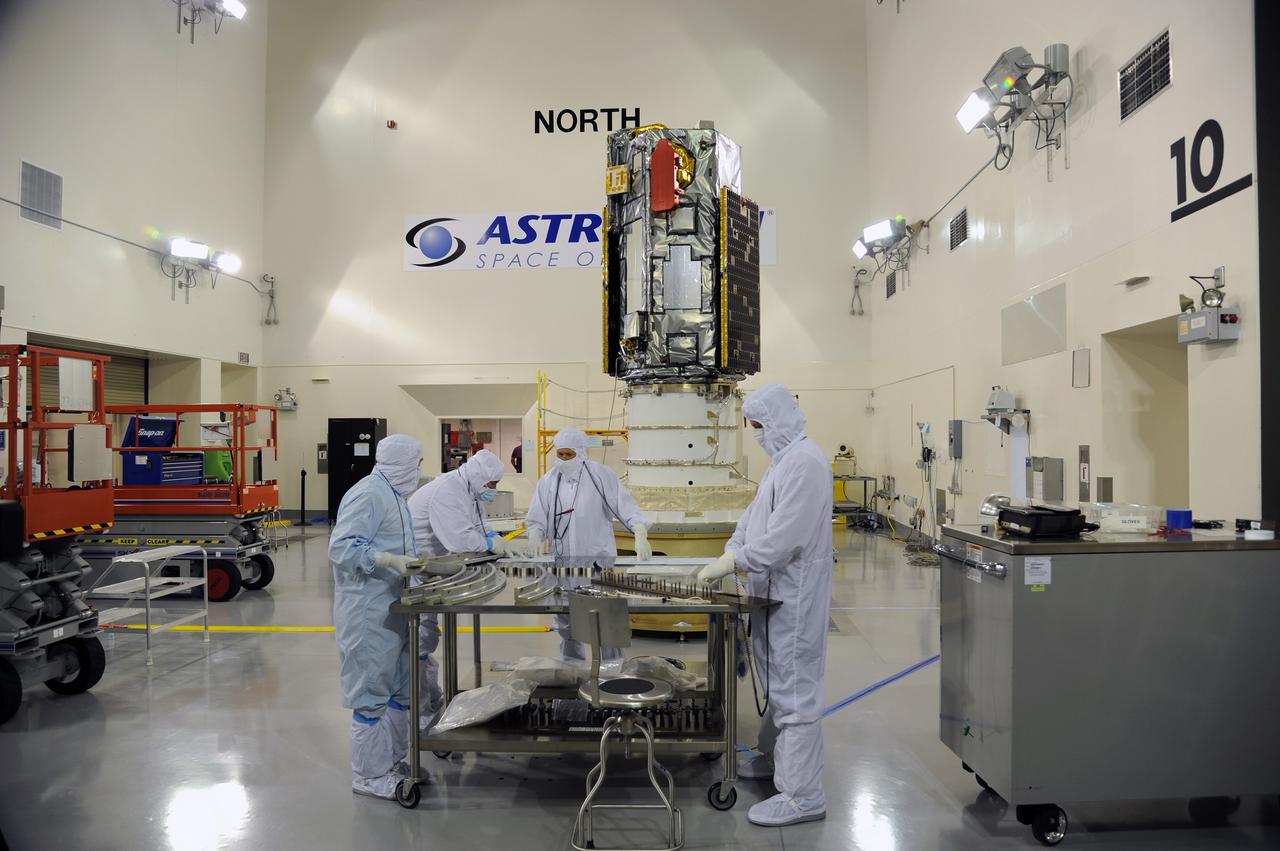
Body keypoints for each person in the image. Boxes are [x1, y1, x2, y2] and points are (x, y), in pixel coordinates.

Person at [697, 384, 833, 827]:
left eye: (757, 426)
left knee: (795, 695)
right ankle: (776, 761)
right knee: (777, 687)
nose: (755, 434)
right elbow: (754, 520)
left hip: (794, 597)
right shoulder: (783, 463)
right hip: (770, 595)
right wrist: (731, 549)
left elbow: (783, 539)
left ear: (775, 421)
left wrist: (739, 560)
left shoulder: (807, 463)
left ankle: (803, 796)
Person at [329, 434, 425, 799]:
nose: (418, 471)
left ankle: (392, 760)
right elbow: (341, 546)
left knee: (399, 686)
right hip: (368, 611)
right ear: (401, 464)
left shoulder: (395, 496)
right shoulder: (368, 493)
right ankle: (368, 775)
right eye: (416, 464)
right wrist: (384, 560)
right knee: (370, 691)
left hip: (394, 604)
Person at [524, 428, 652, 661]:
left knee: (604, 622)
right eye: (560, 455)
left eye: (569, 455)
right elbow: (537, 516)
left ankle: (612, 675)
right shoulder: (549, 481)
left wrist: (639, 530)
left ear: (581, 452)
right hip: (562, 565)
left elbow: (624, 507)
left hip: (596, 563)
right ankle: (572, 673)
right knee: (566, 622)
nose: (563, 460)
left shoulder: (601, 477)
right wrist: (535, 533)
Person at [407, 448, 513, 726]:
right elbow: (459, 539)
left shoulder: (467, 487)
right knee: (421, 637)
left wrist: (490, 535)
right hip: (421, 570)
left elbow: (476, 524)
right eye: (491, 484)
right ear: (480, 477)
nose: (492, 490)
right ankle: (420, 716)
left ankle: (431, 701)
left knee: (426, 638)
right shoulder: (449, 490)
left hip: (436, 569)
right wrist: (488, 545)